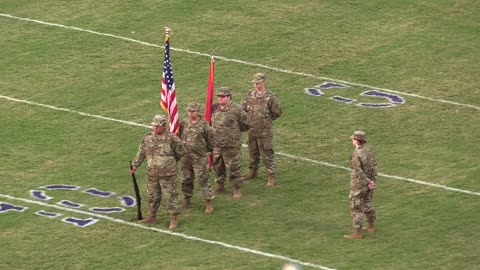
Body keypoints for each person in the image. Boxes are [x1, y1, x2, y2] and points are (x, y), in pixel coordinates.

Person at [130, 114, 185, 230]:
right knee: (153, 196)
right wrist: (135, 165)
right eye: (153, 126)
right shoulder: (148, 138)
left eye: (157, 126)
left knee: (170, 196)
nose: (155, 128)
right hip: (152, 173)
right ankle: (152, 216)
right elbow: (141, 152)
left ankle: (174, 218)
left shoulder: (172, 138)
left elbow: (181, 152)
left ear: (164, 126)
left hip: (168, 174)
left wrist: (169, 163)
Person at [241, 73, 282, 187]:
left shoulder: (271, 97)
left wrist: (265, 121)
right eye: (255, 83)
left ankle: (271, 176)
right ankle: (253, 172)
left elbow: (277, 112)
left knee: (267, 153)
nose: (256, 85)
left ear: (264, 82)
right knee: (252, 152)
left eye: (258, 83)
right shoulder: (249, 95)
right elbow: (242, 109)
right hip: (252, 130)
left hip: (265, 131)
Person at [211, 87, 249, 199]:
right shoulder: (214, 108)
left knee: (234, 167)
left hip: (231, 145)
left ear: (229, 97)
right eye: (218, 96)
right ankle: (220, 184)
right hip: (217, 144)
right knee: (218, 165)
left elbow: (245, 125)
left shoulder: (237, 109)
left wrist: (232, 134)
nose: (220, 98)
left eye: (223, 96)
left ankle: (236, 189)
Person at [179, 102, 216, 214]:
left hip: (199, 158)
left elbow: (211, 141)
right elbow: (179, 135)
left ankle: (208, 203)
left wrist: (208, 151)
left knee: (203, 180)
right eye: (189, 111)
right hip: (186, 157)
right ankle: (187, 199)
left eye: (193, 111)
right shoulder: (184, 123)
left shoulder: (205, 126)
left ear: (198, 112)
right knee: (186, 179)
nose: (191, 113)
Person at [344, 131, 377, 239]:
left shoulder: (356, 154)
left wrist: (367, 181)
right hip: (369, 184)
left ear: (356, 141)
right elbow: (374, 167)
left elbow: (358, 171)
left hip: (358, 185)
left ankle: (357, 233)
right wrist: (372, 181)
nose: (352, 140)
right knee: (368, 204)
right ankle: (371, 226)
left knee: (356, 208)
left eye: (353, 139)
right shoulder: (369, 151)